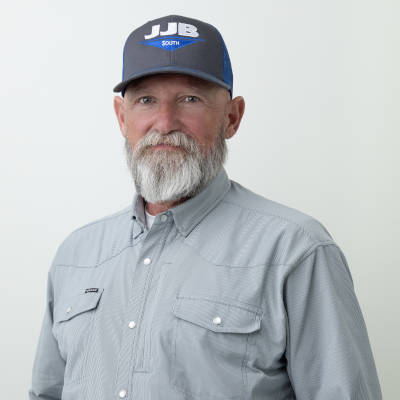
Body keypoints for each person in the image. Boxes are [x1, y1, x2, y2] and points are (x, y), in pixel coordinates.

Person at [28, 14, 382, 400]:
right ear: (121, 117)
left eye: (190, 99)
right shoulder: (76, 256)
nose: (165, 123)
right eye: (146, 100)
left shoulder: (295, 251)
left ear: (232, 117)